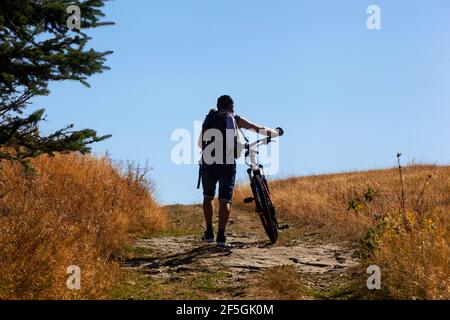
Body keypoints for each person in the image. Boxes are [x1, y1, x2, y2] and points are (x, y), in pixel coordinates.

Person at [198, 95, 281, 248]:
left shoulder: (209, 118)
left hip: (208, 162)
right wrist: (275, 132)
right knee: (224, 200)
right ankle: (221, 237)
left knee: (208, 196)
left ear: (218, 105)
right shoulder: (235, 119)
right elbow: (259, 129)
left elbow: (200, 143)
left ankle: (209, 232)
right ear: (231, 106)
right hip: (227, 163)